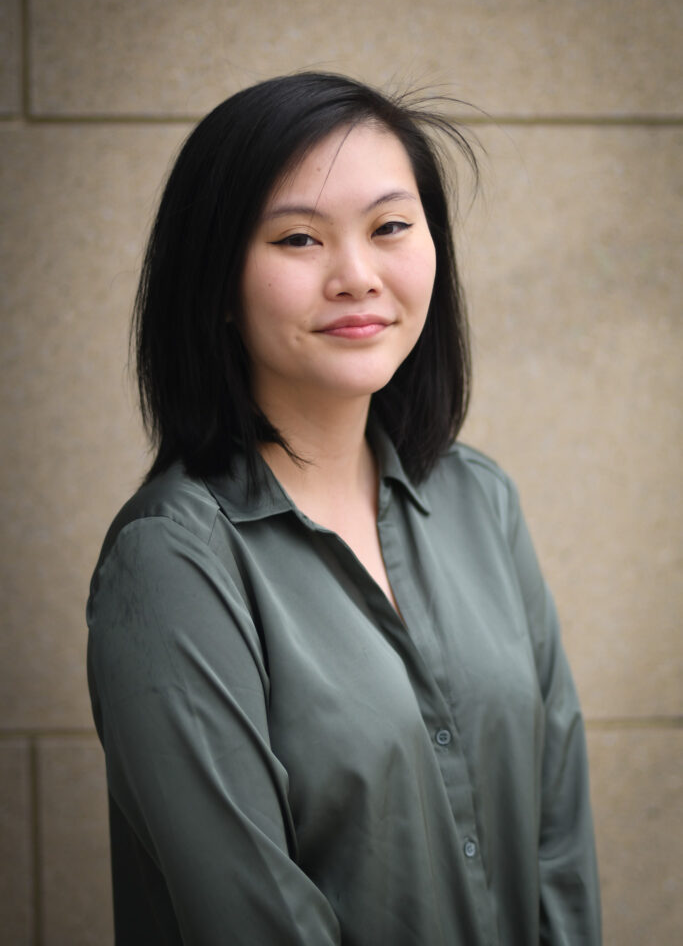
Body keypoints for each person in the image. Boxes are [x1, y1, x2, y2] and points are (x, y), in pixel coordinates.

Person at [87, 72, 601, 945]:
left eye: (391, 227)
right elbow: (252, 916)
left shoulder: (479, 500)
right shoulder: (171, 562)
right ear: (214, 281)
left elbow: (557, 847)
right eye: (297, 239)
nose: (356, 276)